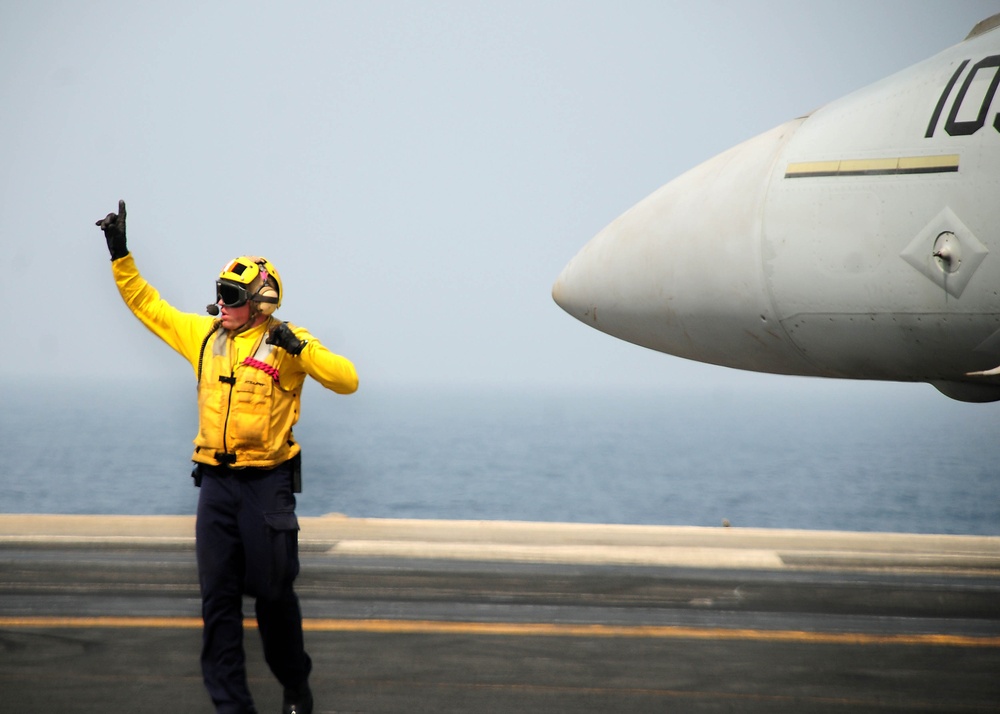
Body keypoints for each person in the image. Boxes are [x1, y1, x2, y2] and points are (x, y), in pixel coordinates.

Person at [96, 200, 358, 714]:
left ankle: (295, 686)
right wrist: (119, 253)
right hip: (215, 486)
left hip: (267, 488)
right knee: (217, 604)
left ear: (261, 302)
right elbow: (149, 306)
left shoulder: (288, 342)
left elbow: (346, 379)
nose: (221, 303)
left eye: (232, 295)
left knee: (273, 596)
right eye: (219, 293)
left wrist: (299, 348)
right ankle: (231, 707)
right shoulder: (204, 337)